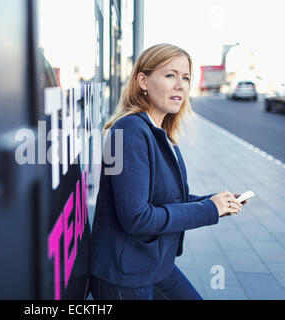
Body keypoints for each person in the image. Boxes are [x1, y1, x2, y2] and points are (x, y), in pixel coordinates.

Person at [89, 43, 249, 300]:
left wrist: (215, 202)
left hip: (154, 265)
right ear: (143, 80)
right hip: (125, 276)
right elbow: (137, 218)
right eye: (170, 75)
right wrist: (210, 210)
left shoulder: (159, 132)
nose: (181, 85)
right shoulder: (129, 131)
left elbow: (168, 201)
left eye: (185, 77)